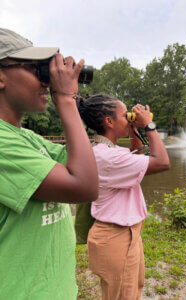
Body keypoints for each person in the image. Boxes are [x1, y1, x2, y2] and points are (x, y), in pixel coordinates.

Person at [0, 28, 98, 299]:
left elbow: (85, 168)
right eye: (37, 70)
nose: (47, 81)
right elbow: (85, 186)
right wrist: (65, 99)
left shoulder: (29, 139)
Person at [76, 94, 170, 300]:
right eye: (125, 115)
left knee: (132, 291)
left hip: (125, 234)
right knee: (122, 296)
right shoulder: (108, 156)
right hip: (116, 236)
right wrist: (149, 125)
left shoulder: (106, 151)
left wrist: (134, 129)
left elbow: (134, 156)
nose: (129, 118)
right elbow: (162, 162)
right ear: (109, 121)